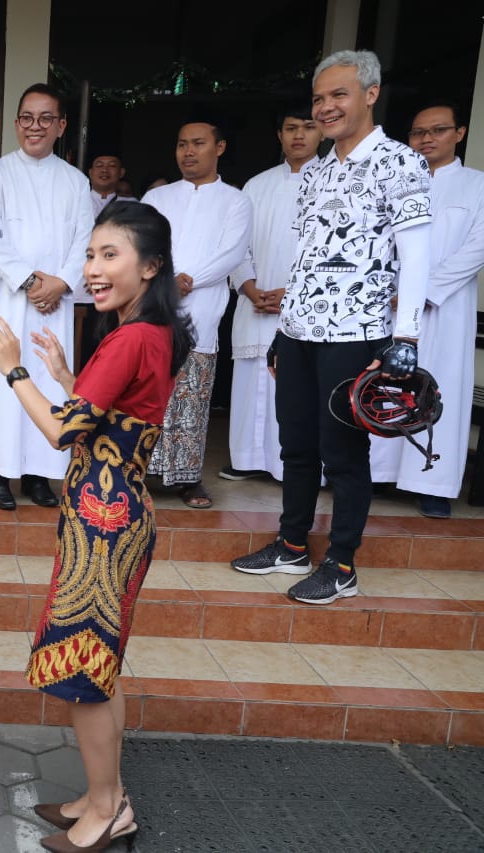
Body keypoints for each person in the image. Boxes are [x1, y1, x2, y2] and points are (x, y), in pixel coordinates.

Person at [0, 201, 193, 853]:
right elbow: (111, 414)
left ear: (150, 266)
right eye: (91, 255)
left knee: (86, 672)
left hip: (106, 521)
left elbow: (62, 430)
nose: (93, 269)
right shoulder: (149, 332)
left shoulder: (130, 337)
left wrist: (13, 367)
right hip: (114, 513)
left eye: (110, 255)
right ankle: (103, 793)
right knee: (101, 666)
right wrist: (69, 378)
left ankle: (106, 807)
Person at [232, 50, 431, 604]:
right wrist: (283, 329)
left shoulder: (400, 163)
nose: (326, 108)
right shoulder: (317, 169)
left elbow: (416, 258)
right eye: (319, 98)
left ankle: (342, 563)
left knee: (342, 454)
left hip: (356, 334)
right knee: (295, 444)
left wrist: (405, 339)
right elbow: (309, 257)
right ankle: (292, 543)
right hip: (299, 332)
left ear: (370, 95)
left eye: (338, 95)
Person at [0, 82, 95, 510]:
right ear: (17, 124)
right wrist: (32, 283)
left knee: (48, 382)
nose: (36, 127)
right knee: (0, 383)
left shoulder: (76, 180)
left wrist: (62, 283)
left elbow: (84, 240)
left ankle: (40, 475)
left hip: (55, 303)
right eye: (28, 118)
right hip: (6, 297)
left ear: (61, 126)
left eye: (46, 119)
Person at [369, 102, 484, 518]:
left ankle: (431, 483)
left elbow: (476, 248)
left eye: (437, 130)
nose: (426, 139)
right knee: (388, 383)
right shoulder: (395, 182)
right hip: (390, 303)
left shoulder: (477, 186)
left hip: (445, 307)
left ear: (460, 133)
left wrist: (421, 291)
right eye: (418, 132)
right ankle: (380, 473)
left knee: (441, 387)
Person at [141, 119, 253, 508]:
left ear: (219, 148)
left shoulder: (236, 200)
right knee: (145, 395)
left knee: (191, 397)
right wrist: (162, 280)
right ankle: (137, 472)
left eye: (198, 143)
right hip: (153, 308)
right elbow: (139, 244)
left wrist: (186, 281)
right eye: (182, 144)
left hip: (202, 312)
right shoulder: (156, 200)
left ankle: (187, 479)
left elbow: (232, 253)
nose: (188, 152)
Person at [223, 108, 322, 482]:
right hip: (255, 300)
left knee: (296, 385)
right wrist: (249, 288)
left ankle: (289, 467)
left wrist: (294, 295)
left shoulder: (333, 182)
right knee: (251, 381)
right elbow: (237, 246)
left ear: (321, 133)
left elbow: (331, 253)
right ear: (279, 135)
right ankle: (246, 460)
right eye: (291, 128)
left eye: (308, 128)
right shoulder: (255, 185)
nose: (299, 135)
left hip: (305, 305)